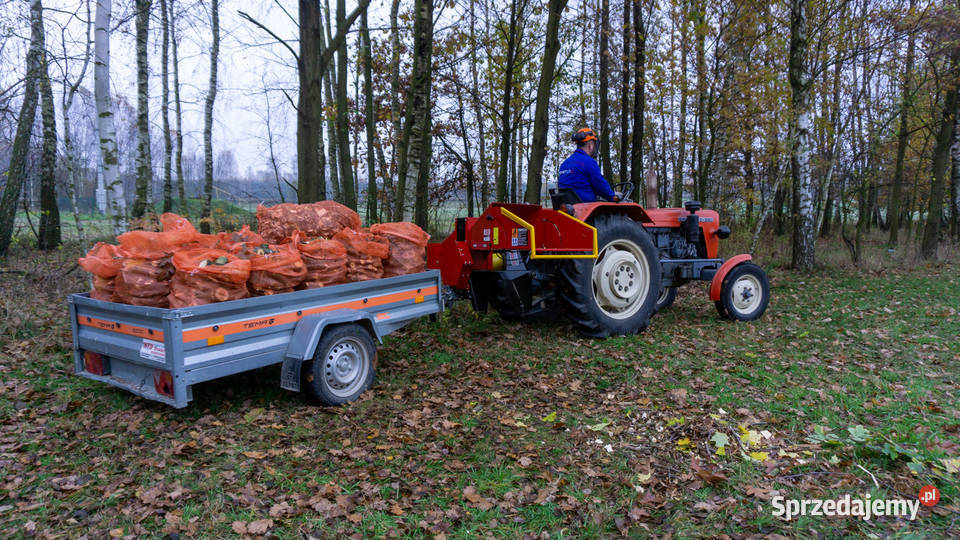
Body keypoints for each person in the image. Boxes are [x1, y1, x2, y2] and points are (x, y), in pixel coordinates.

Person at [557, 128, 618, 203]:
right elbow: (601, 186)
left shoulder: (565, 163)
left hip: (568, 207)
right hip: (584, 206)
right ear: (591, 145)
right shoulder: (589, 162)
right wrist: (613, 197)